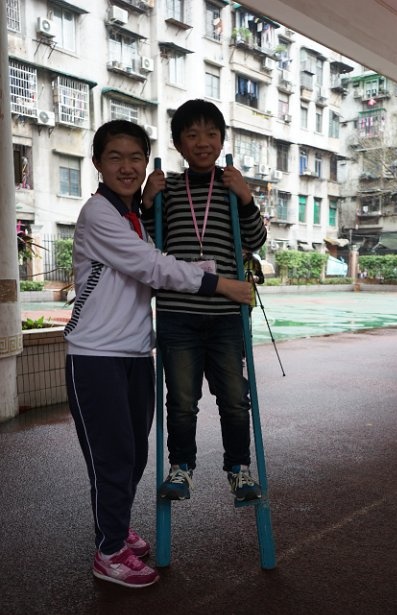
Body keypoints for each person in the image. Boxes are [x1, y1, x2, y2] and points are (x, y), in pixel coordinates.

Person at [64, 120, 252, 589]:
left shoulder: (132, 217)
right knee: (112, 457)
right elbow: (153, 267)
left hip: (133, 352)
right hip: (95, 356)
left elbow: (151, 262)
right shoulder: (99, 214)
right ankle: (109, 552)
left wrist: (149, 207)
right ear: (97, 163)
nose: (127, 167)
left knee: (133, 456)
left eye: (135, 157)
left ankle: (116, 527)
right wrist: (221, 284)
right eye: (115, 157)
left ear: (146, 163)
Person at [142, 99, 267, 504]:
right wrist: (147, 203)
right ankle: (182, 468)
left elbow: (255, 241)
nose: (202, 142)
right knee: (181, 400)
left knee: (234, 398)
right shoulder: (169, 188)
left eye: (211, 134)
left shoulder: (232, 186)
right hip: (178, 314)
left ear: (222, 141)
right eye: (192, 134)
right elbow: (149, 243)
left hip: (226, 315)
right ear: (179, 143)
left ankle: (239, 469)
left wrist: (246, 199)